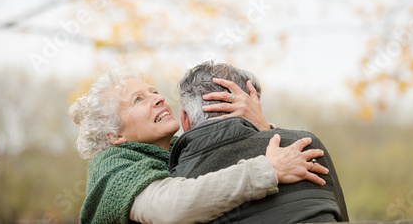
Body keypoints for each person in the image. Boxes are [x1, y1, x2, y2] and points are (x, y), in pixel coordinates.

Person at [68, 64, 329, 224]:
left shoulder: (179, 151)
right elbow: (170, 208)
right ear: (115, 135)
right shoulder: (111, 170)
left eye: (154, 91)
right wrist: (267, 170)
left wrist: (259, 125)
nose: (158, 98)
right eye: (138, 100)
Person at [171, 61, 349, 223]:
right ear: (254, 107)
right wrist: (266, 130)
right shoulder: (303, 146)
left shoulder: (175, 179)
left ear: (185, 120)